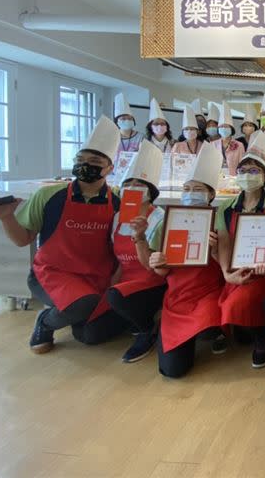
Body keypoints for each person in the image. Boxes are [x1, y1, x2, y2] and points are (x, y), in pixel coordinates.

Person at [0, 116, 129, 352]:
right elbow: (23, 239)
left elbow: (123, 248)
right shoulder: (49, 195)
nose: (85, 165)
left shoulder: (118, 201)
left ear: (110, 168)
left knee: (92, 335)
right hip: (52, 274)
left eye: (94, 161)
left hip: (98, 277)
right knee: (83, 304)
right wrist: (6, 217)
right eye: (80, 160)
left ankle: (74, 313)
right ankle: (46, 321)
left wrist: (117, 277)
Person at [147, 142, 224, 378]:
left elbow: (229, 265)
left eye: (197, 189)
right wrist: (157, 261)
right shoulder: (169, 221)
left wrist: (215, 251)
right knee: (172, 370)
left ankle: (215, 332)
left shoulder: (221, 221)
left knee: (208, 330)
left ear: (211, 194)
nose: (191, 193)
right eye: (187, 188)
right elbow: (161, 272)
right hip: (177, 297)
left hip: (210, 294)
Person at [217, 132, 265, 368]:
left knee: (238, 303)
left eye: (254, 171)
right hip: (237, 268)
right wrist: (227, 273)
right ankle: (253, 330)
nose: (247, 176)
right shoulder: (226, 208)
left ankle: (262, 335)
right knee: (233, 302)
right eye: (243, 171)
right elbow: (224, 242)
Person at [106, 140, 167, 363]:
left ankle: (146, 330)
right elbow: (118, 259)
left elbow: (152, 266)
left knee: (115, 297)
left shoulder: (159, 219)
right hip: (125, 280)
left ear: (149, 192)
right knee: (91, 331)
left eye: (138, 184)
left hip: (153, 281)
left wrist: (139, 237)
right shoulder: (116, 218)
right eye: (127, 183)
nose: (131, 188)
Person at [217, 100, 246, 176]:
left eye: (226, 126)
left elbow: (242, 164)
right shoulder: (212, 144)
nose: (223, 128)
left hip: (233, 179)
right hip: (216, 178)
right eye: (221, 126)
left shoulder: (239, 145)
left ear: (231, 129)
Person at [114, 93, 143, 157]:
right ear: (117, 122)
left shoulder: (140, 137)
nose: (127, 120)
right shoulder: (112, 137)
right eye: (123, 119)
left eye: (130, 118)